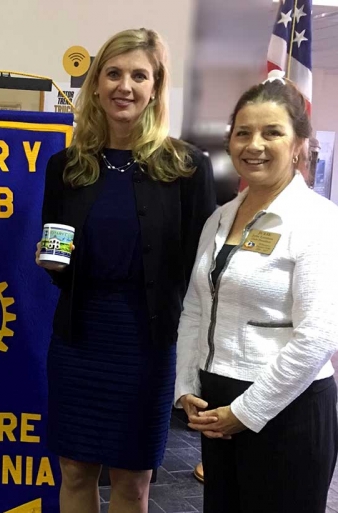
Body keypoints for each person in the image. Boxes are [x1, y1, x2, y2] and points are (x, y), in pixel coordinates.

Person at [35, 28, 216, 513]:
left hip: (147, 344)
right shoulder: (67, 166)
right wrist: (51, 262)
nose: (125, 86)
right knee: (74, 470)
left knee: (133, 480)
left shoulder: (186, 167)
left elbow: (203, 272)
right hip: (78, 339)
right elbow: (58, 253)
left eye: (139, 75)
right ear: (95, 84)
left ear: (156, 87)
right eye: (113, 73)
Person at [175, 71, 338, 513]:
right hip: (218, 400)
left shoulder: (319, 222)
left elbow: (318, 336)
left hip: (288, 407)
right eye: (243, 132)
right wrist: (187, 383)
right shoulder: (220, 218)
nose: (254, 145)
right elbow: (195, 308)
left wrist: (245, 413)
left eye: (272, 132)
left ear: (299, 143)